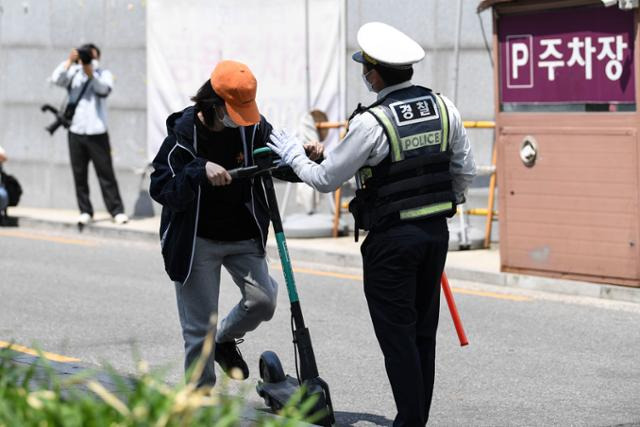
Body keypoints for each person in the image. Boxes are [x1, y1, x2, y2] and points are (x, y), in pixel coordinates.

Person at [268, 22, 476, 426]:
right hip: (435, 235)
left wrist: (293, 153)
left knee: (397, 337)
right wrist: (436, 203)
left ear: (375, 74)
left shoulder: (372, 122)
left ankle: (411, 421)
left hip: (391, 242)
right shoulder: (444, 107)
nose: (365, 73)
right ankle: (415, 418)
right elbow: (463, 170)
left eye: (366, 68)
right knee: (421, 336)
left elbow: (326, 178)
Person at [149, 60, 321, 387]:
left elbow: (276, 163)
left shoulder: (253, 125)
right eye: (232, 111)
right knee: (199, 329)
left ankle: (224, 340)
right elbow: (162, 189)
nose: (239, 120)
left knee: (263, 301)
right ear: (213, 104)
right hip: (197, 240)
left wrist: (306, 159)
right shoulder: (183, 134)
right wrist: (199, 170)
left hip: (243, 232)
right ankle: (199, 407)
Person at [51, 43, 128, 226]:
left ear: (97, 58)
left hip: (97, 131)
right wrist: (69, 61)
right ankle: (85, 211)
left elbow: (103, 90)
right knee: (79, 174)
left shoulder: (103, 74)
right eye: (85, 56)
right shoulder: (73, 73)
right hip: (76, 131)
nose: (87, 59)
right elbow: (56, 79)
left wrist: (90, 71)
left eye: (91, 56)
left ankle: (116, 211)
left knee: (106, 173)